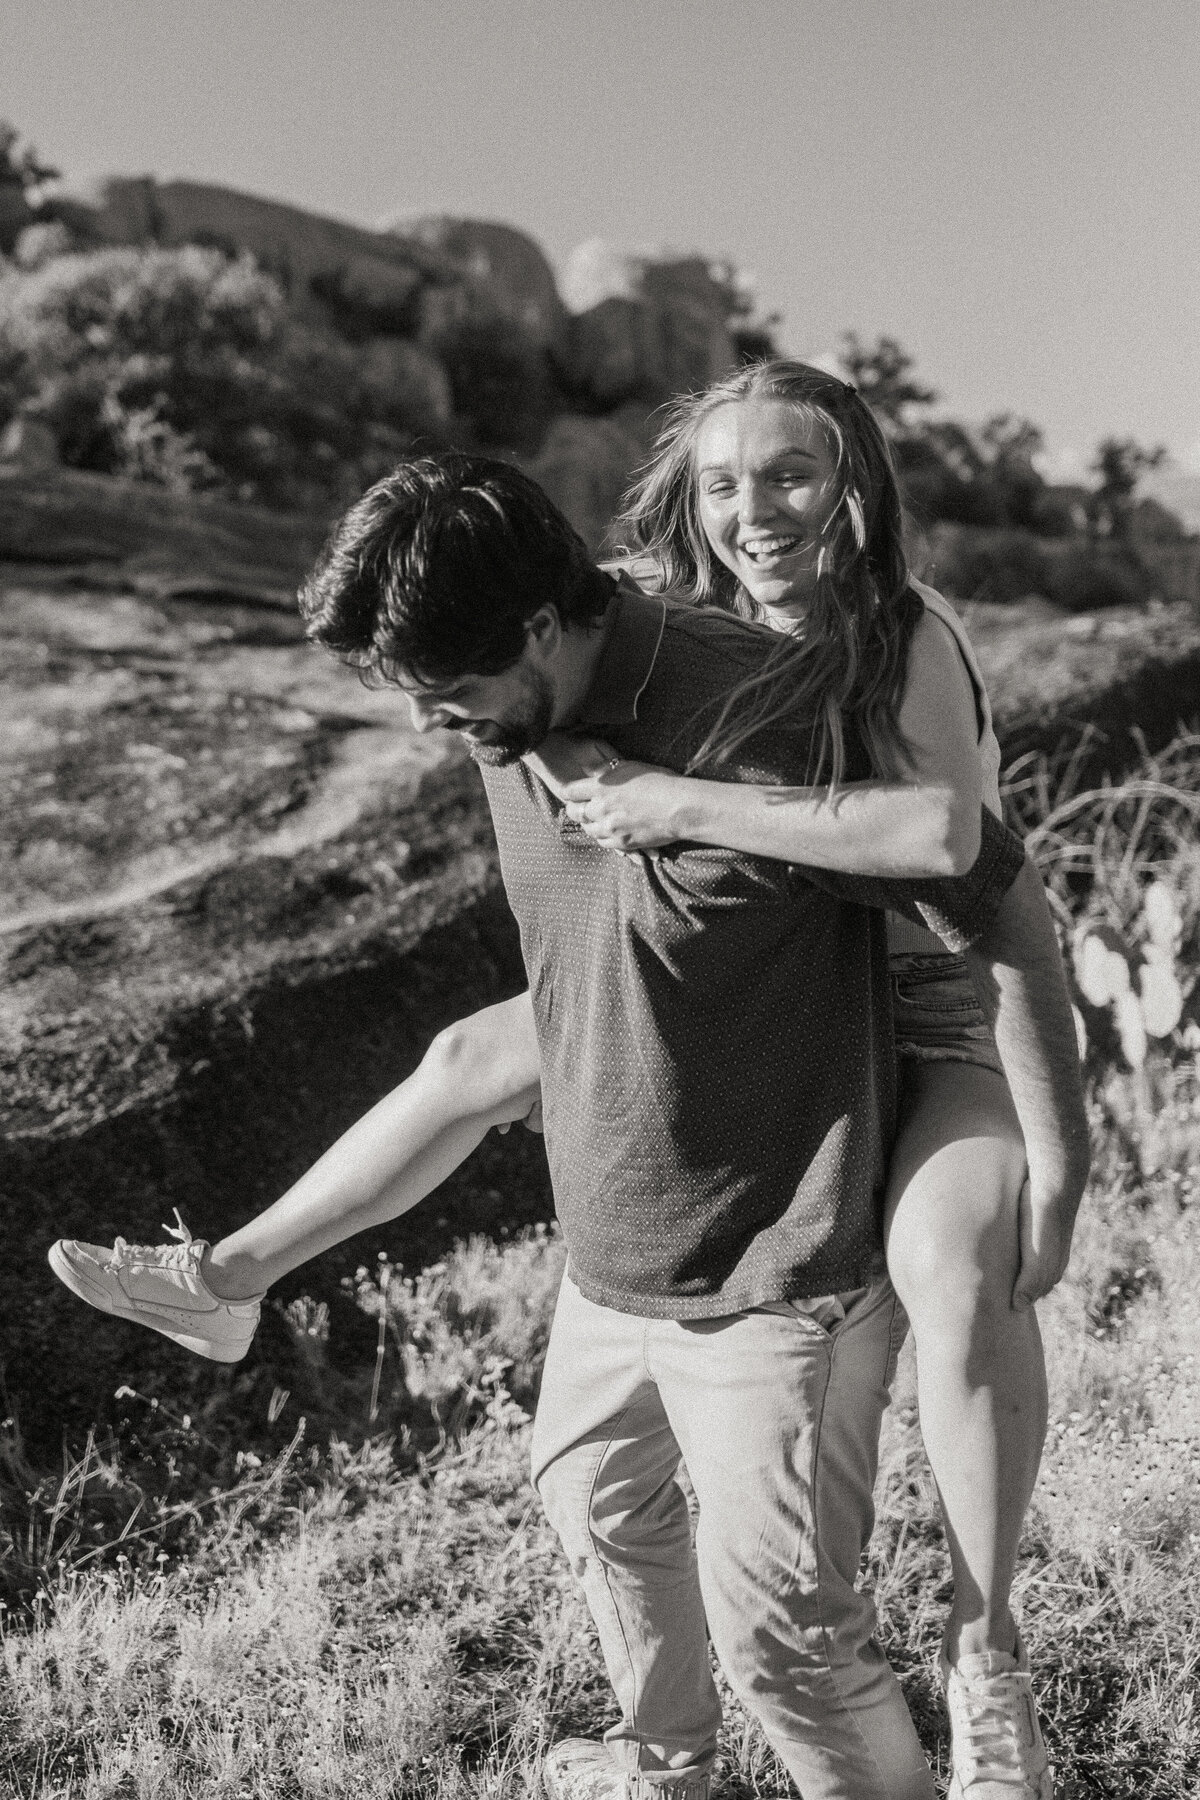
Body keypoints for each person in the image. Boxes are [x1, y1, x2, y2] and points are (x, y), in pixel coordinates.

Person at [51, 434, 1086, 1800]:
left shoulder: (773, 718)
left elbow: (994, 903)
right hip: (613, 1252)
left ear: (543, 625)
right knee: (597, 1500)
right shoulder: (522, 704)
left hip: (770, 1261)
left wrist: (1054, 1151)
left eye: (450, 690)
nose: (430, 725)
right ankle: (668, 1763)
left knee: (786, 1647)